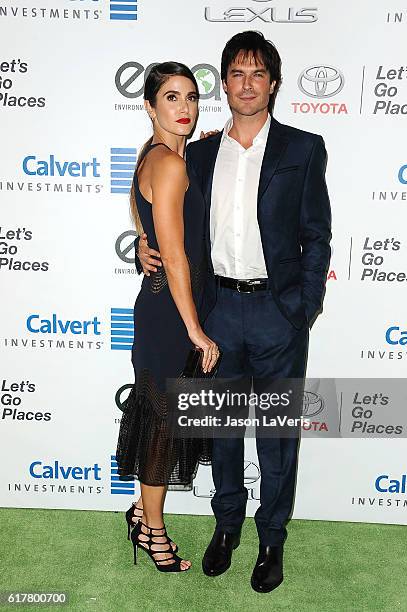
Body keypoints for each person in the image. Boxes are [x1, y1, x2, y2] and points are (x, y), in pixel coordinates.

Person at [138, 31, 332, 592]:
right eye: (235, 74)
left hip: (279, 312)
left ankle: (271, 538)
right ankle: (226, 528)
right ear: (223, 83)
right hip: (216, 307)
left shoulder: (304, 148)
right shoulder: (194, 152)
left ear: (272, 83)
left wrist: (305, 306)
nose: (246, 84)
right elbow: (164, 214)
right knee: (221, 433)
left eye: (257, 74)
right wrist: (144, 246)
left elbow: (317, 235)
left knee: (276, 434)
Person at [115, 61, 219, 574]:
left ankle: (141, 511)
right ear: (150, 106)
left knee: (164, 421)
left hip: (165, 305)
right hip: (169, 313)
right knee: (161, 423)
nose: (184, 108)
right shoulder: (169, 163)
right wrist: (196, 329)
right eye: (172, 98)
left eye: (192, 97)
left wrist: (142, 242)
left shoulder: (169, 159)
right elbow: (176, 257)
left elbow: (160, 233)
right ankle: (152, 530)